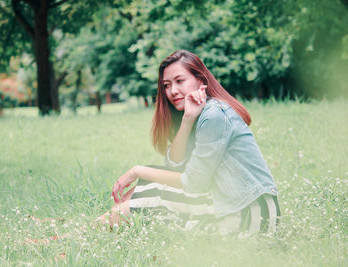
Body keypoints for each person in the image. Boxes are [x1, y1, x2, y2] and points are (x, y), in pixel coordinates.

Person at [98, 50, 280, 235]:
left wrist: (136, 170)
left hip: (251, 213)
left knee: (150, 195)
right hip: (228, 201)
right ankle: (102, 231)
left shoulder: (214, 115)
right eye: (167, 85)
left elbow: (193, 183)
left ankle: (86, 236)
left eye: (180, 81)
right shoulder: (197, 112)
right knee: (147, 186)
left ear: (200, 80)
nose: (173, 91)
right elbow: (174, 164)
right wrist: (187, 119)